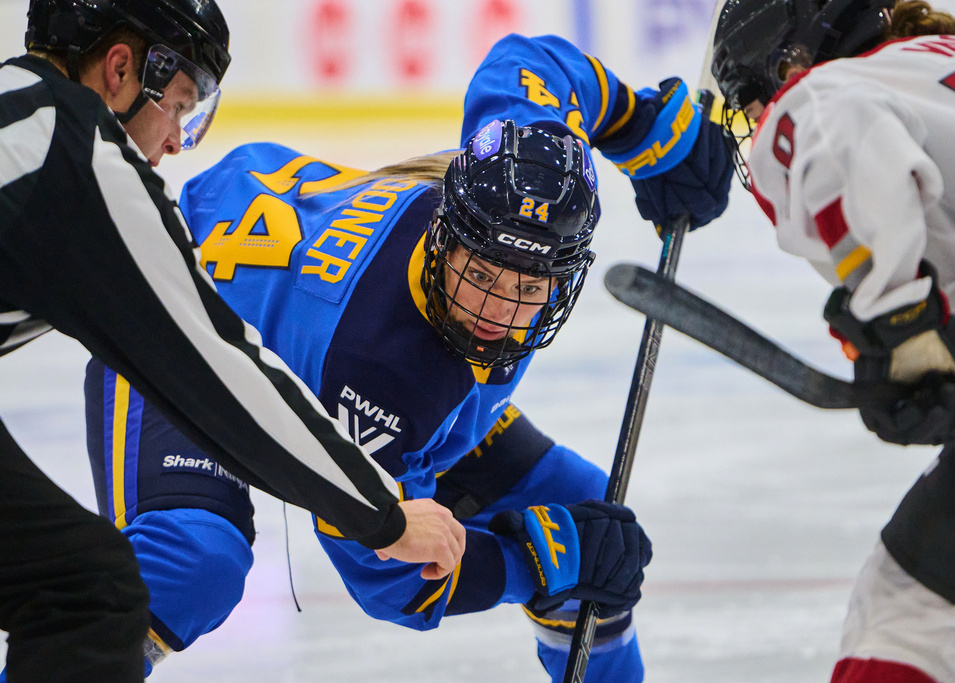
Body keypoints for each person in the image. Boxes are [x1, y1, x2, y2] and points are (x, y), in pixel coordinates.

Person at [81, 33, 734, 681]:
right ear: (447, 236)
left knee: (585, 512)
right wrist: (533, 565)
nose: (499, 313)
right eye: (482, 275)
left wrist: (644, 126)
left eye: (530, 288)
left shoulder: (509, 166)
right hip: (175, 310)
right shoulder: (381, 374)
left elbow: (528, 65)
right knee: (193, 563)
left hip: (281, 241)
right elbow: (387, 573)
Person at [0, 1, 465, 681]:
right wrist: (383, 513)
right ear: (122, 69)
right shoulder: (78, 153)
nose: (178, 141)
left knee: (79, 582)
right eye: (181, 105)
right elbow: (215, 371)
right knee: (88, 594)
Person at [711, 0, 955, 681]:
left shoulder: (825, 91)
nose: (764, 118)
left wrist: (901, 324)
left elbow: (833, 130)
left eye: (758, 96)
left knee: (907, 613)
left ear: (793, 56)